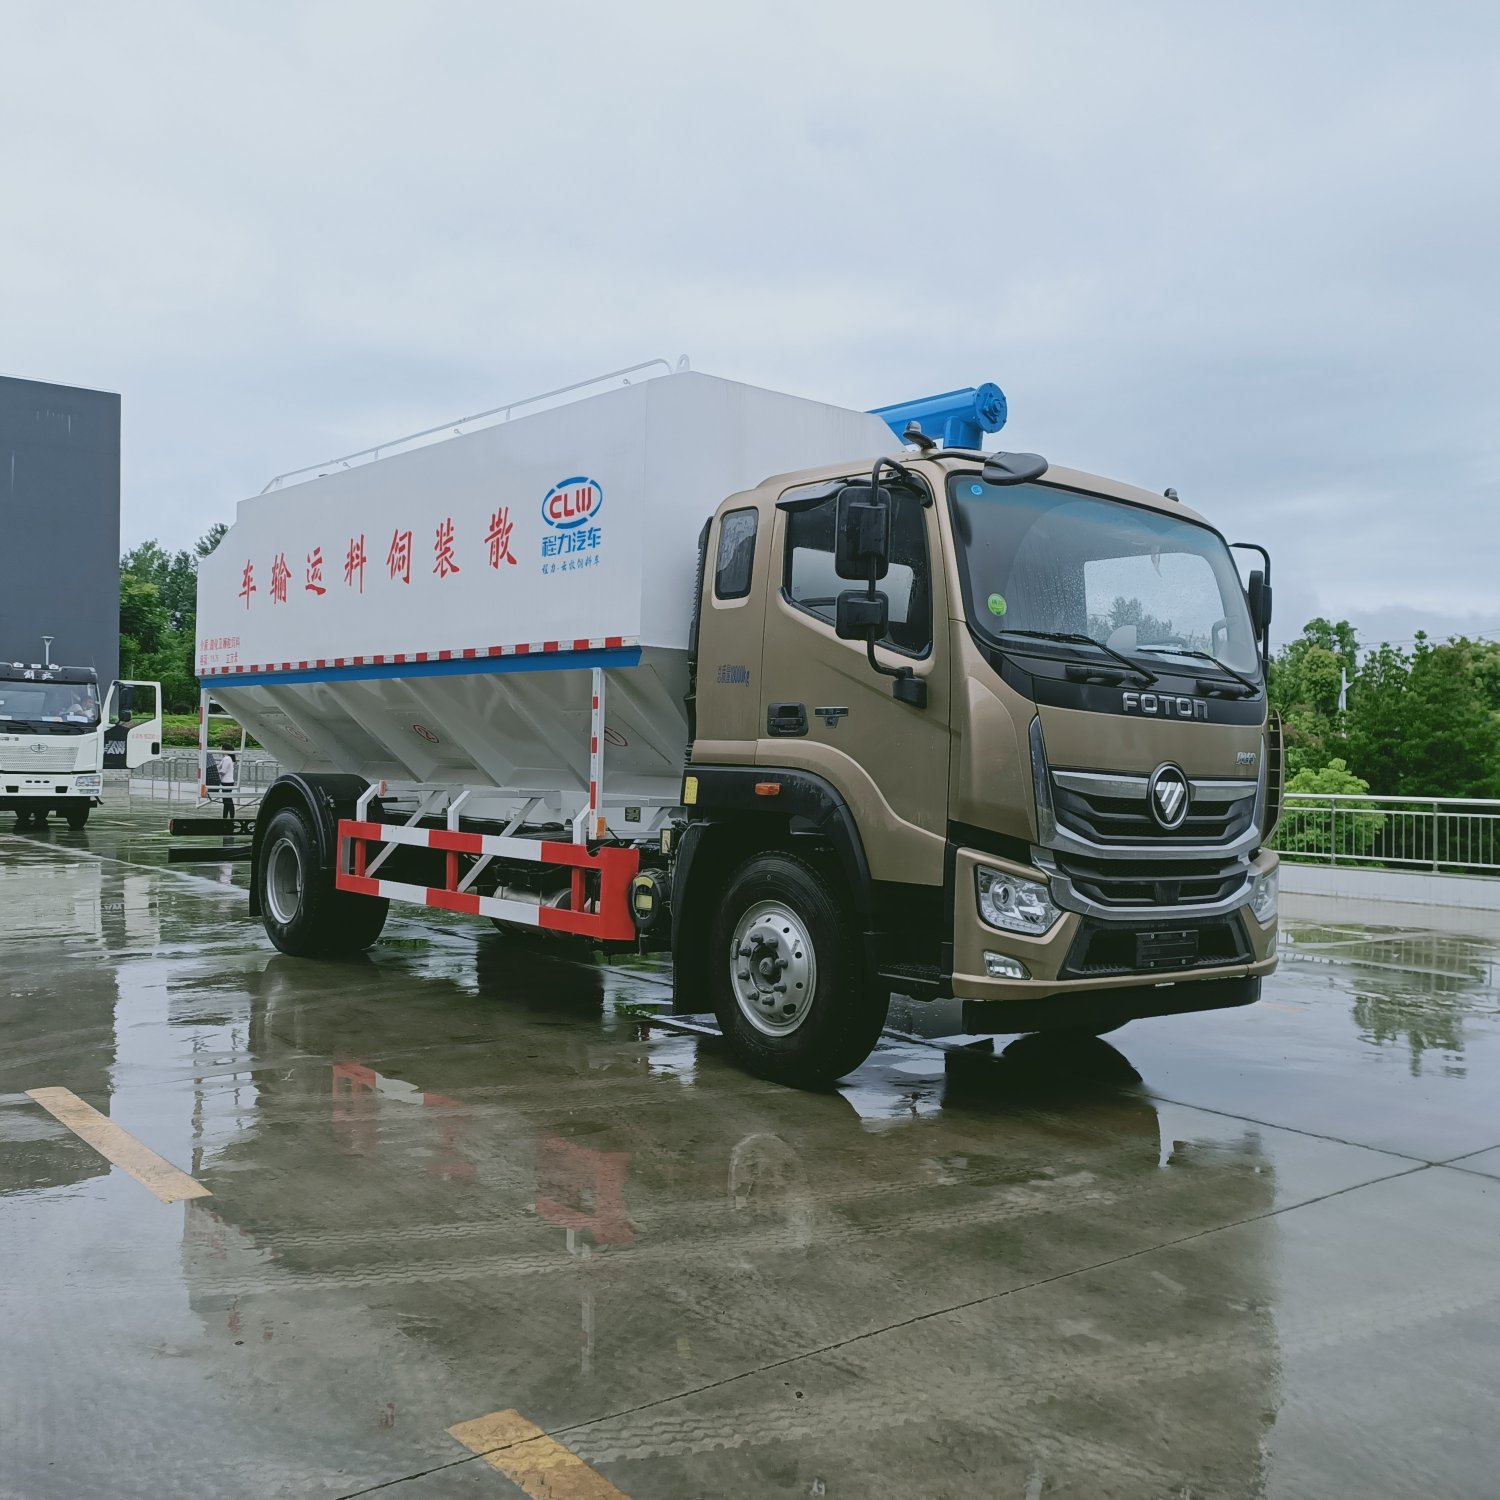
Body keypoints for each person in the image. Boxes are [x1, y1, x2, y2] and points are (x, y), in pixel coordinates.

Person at [216, 750, 237, 820]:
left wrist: (216, 772)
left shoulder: (226, 758)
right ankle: (226, 817)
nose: (221, 751)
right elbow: (220, 767)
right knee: (226, 800)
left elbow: (223, 771)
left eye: (222, 749)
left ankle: (230, 817)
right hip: (228, 782)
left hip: (227, 782)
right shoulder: (228, 758)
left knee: (227, 800)